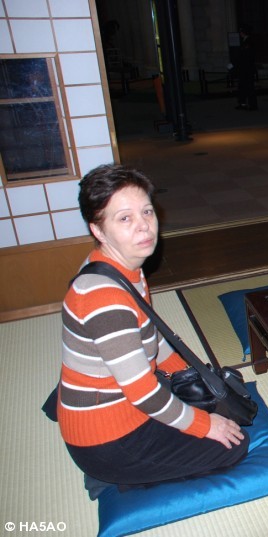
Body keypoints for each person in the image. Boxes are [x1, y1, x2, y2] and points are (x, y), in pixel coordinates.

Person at [58, 164, 249, 495]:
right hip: (109, 440)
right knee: (235, 444)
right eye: (125, 218)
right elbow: (143, 393)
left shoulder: (119, 266)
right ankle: (118, 479)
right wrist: (204, 424)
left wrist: (189, 375)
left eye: (146, 211)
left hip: (117, 403)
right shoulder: (105, 299)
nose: (144, 225)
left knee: (210, 400)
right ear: (98, 230)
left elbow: (149, 334)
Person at [234, 24, 257, 110]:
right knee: (242, 86)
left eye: (241, 31)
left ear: (244, 32)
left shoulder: (249, 41)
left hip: (247, 69)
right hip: (243, 69)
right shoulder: (244, 40)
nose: (240, 33)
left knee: (249, 87)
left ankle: (252, 105)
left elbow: (247, 56)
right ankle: (242, 103)